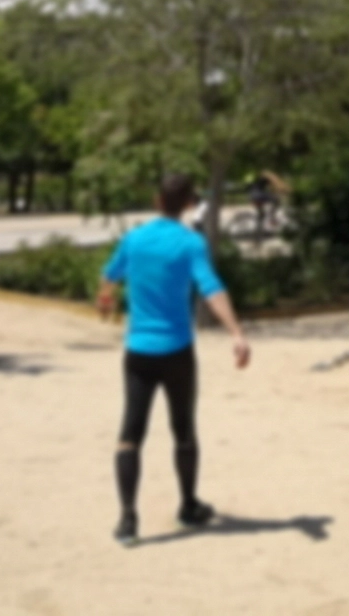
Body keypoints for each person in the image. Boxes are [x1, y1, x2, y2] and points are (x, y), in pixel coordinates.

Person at [96, 173, 251, 546]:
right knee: (183, 430)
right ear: (188, 203)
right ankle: (187, 506)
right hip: (177, 351)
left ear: (156, 200)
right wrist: (236, 332)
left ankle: (128, 520)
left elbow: (109, 276)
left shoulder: (134, 240)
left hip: (138, 352)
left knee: (130, 435)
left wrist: (105, 300)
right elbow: (211, 288)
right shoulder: (190, 243)